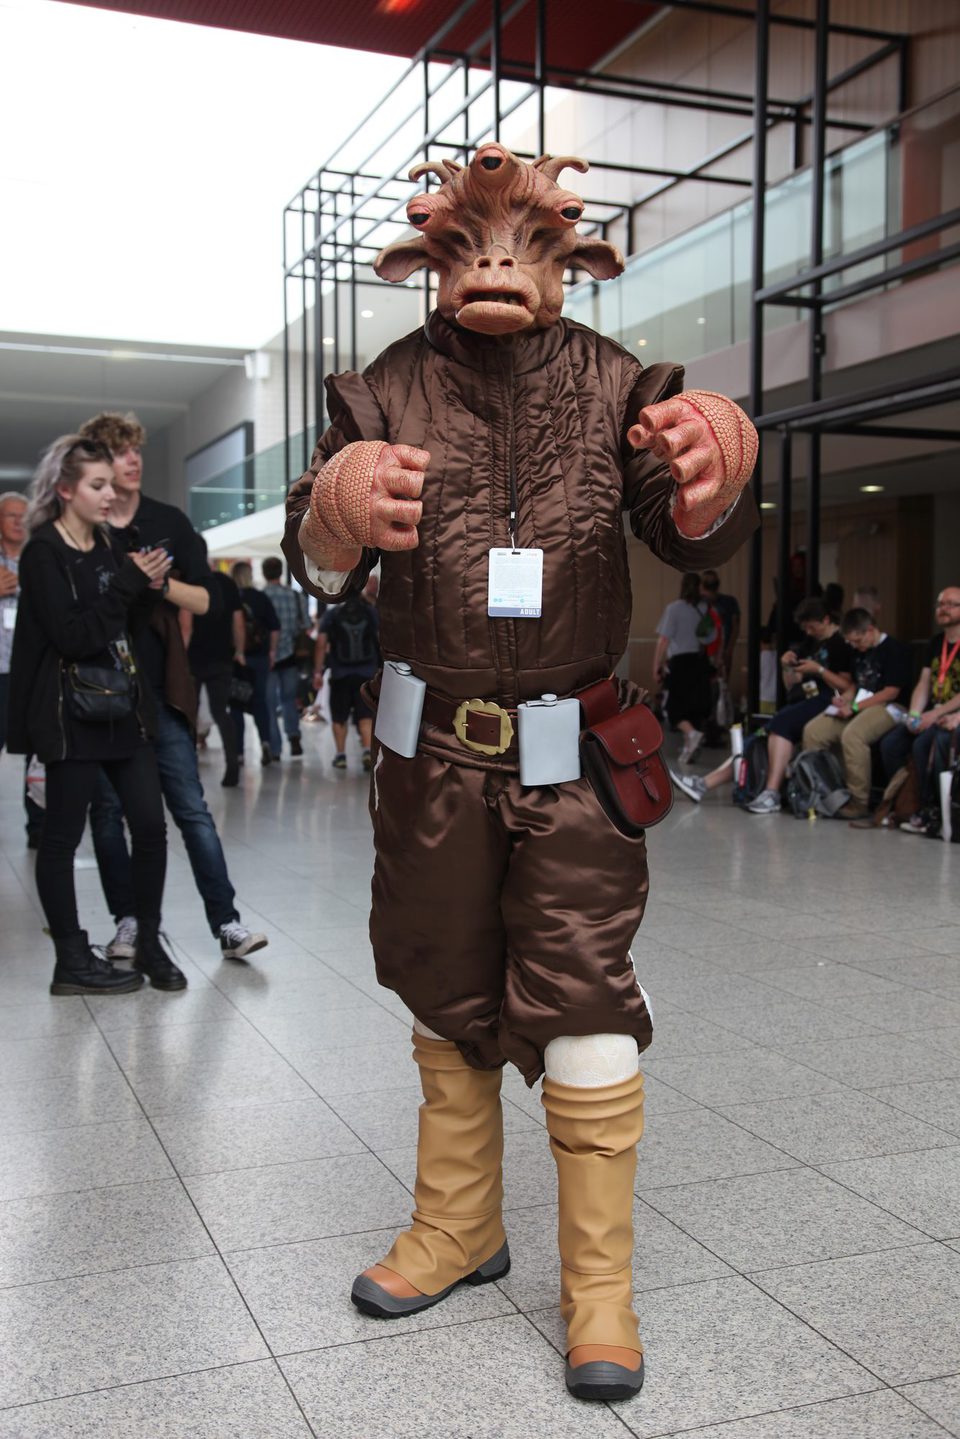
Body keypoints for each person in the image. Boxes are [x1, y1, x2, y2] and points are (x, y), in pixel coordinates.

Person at [282, 146, 758, 1402]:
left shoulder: (615, 382)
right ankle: (461, 1225)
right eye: (468, 244)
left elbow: (681, 518)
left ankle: (599, 1288)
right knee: (442, 990)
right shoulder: (385, 385)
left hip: (574, 761)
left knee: (589, 1003)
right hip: (429, 754)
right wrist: (328, 511)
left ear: (568, 259)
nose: (495, 265)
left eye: (526, 243)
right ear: (433, 263)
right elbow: (316, 554)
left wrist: (718, 468)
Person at [77, 411, 267, 963]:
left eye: (135, 450)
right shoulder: (82, 525)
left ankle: (227, 923)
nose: (132, 460)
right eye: (119, 451)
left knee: (191, 808)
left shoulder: (169, 521)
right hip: (100, 691)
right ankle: (129, 922)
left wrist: (159, 584)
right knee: (109, 814)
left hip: (159, 688)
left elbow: (210, 600)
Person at [6, 436, 186, 993]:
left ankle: (150, 942)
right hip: (70, 714)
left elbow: (122, 628)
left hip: (120, 710)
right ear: (66, 490)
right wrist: (130, 584)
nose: (111, 494)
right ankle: (71, 960)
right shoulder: (43, 553)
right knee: (60, 838)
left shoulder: (109, 544)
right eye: (98, 485)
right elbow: (73, 636)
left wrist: (148, 589)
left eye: (111, 483)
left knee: (151, 829)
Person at [672, 595, 854, 809]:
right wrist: (788, 664)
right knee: (753, 742)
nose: (808, 632)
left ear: (825, 620)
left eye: (812, 627)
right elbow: (793, 681)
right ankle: (703, 784)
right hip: (806, 699)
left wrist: (820, 670)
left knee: (780, 724)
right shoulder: (811, 642)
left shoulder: (841, 643)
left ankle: (771, 792)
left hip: (828, 700)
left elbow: (846, 685)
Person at [800, 606, 913, 820]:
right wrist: (846, 699)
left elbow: (890, 692)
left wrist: (853, 708)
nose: (855, 646)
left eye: (858, 641)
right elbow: (856, 683)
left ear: (870, 630)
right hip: (860, 701)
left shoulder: (896, 649)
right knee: (814, 731)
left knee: (853, 735)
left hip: (891, 706)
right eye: (851, 642)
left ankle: (859, 801)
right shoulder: (858, 650)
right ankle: (823, 789)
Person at [878, 586, 960, 833]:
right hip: (930, 713)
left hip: (949, 714)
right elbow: (924, 682)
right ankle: (905, 804)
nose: (942, 609)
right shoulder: (936, 642)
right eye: (939, 604)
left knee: (925, 744)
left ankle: (930, 809)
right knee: (891, 744)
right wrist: (914, 714)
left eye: (950, 604)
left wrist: (935, 715)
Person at [0, 490, 44, 848]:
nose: (17, 522)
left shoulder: (39, 559)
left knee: (37, 752)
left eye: (22, 515)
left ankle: (39, 827)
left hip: (31, 670)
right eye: (10, 515)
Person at [187, 547, 244, 787]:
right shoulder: (226, 583)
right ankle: (232, 764)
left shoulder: (189, 584)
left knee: (187, 713)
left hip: (192, 657)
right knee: (221, 712)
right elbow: (238, 621)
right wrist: (240, 651)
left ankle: (187, 769)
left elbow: (185, 626)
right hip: (222, 657)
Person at [653, 571, 715, 763]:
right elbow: (709, 637)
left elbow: (664, 639)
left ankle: (691, 735)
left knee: (673, 707)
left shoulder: (674, 609)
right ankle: (689, 747)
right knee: (694, 707)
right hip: (699, 661)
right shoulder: (705, 608)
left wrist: (656, 664)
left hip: (680, 663)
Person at [317, 586, 380, 769]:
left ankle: (341, 755)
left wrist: (317, 671)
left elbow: (321, 642)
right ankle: (367, 750)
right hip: (367, 673)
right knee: (365, 715)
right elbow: (379, 637)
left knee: (339, 716)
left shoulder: (333, 613)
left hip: (339, 673)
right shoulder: (369, 611)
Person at [231, 561, 280, 766]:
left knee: (236, 705)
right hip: (260, 657)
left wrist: (238, 651)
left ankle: (239, 752)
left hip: (235, 658)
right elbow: (275, 628)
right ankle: (266, 743)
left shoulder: (231, 598)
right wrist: (271, 651)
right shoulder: (261, 598)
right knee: (260, 701)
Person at [261, 556, 310, 761]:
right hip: (291, 655)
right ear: (281, 572)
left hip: (267, 657)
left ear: (264, 573)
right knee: (289, 699)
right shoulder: (295, 596)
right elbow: (305, 625)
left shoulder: (261, 597)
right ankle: (294, 736)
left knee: (270, 703)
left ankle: (275, 748)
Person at [700, 568, 739, 681]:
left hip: (724, 648)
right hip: (705, 651)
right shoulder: (699, 603)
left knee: (722, 683)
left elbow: (735, 627)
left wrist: (729, 650)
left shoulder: (729, 601)